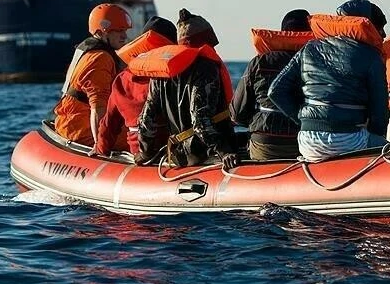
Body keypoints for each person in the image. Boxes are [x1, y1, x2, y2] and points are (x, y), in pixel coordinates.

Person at [268, 0, 390, 162]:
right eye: (380, 28)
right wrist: (375, 134)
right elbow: (380, 112)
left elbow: (275, 92)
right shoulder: (370, 55)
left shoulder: (310, 48)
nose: (383, 35)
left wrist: (304, 119)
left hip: (307, 142)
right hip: (348, 141)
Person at [133, 9, 239, 169]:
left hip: (178, 154)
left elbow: (146, 119)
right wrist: (224, 151)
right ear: (205, 40)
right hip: (203, 154)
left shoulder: (161, 72)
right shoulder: (205, 67)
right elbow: (200, 121)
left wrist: (145, 152)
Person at [230, 9, 313, 160]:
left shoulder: (260, 62)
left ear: (283, 33)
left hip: (265, 144)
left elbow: (237, 114)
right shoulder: (317, 63)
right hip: (304, 144)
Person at [94, 16, 177, 156]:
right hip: (173, 152)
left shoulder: (122, 79)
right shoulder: (178, 75)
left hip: (137, 152)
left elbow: (109, 124)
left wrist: (100, 150)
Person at [53, 4, 132, 147]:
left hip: (73, 122)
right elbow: (98, 108)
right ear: (103, 31)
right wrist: (100, 145)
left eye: (125, 31)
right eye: (119, 31)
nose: (125, 36)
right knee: (139, 138)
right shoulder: (100, 59)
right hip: (80, 129)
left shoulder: (91, 51)